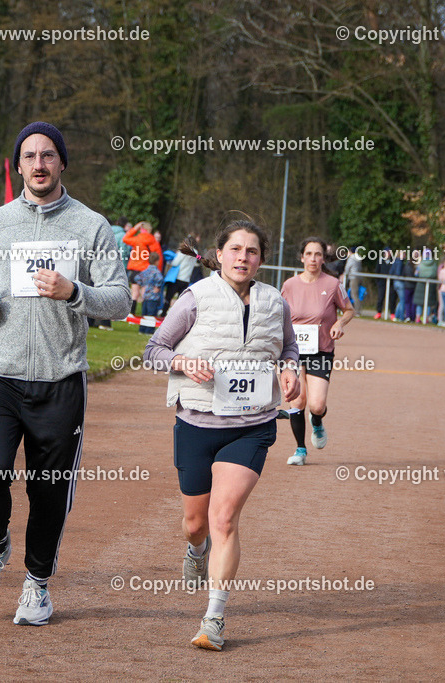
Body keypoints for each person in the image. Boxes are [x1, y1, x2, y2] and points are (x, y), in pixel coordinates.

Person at [0, 121, 131, 626]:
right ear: (18, 165)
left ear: (62, 163)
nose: (39, 164)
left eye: (48, 155)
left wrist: (74, 292)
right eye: (30, 156)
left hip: (59, 380)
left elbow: (119, 297)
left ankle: (37, 584)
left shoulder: (91, 226)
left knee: (48, 489)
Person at [142, 221, 301, 651]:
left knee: (224, 518)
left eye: (251, 251)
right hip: (197, 422)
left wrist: (290, 371)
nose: (243, 257)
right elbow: (153, 349)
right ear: (221, 253)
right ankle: (196, 552)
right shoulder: (195, 298)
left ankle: (214, 619)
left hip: (251, 426)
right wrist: (182, 363)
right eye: (235, 249)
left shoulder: (275, 303)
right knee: (196, 525)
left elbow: (288, 348)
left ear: (261, 259)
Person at [280, 237, 354, 464]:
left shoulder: (332, 284)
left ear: (323, 257)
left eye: (318, 254)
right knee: (296, 401)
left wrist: (339, 324)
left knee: (316, 404)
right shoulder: (289, 285)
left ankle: (318, 421)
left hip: (321, 350)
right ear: (302, 257)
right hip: (292, 350)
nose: (313, 258)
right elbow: (279, 315)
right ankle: (300, 450)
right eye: (309, 254)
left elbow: (349, 310)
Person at [123, 220, 163, 317]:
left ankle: (131, 313)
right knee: (145, 293)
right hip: (146, 270)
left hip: (135, 269)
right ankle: (144, 314)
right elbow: (159, 257)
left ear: (141, 229)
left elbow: (125, 239)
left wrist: (135, 228)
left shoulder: (137, 239)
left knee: (134, 293)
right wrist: (159, 272)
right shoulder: (153, 241)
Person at [160, 236, 198, 317]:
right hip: (186, 279)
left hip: (177, 278)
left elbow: (175, 263)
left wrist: (174, 256)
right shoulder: (196, 252)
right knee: (180, 300)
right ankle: (176, 316)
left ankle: (163, 314)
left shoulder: (183, 251)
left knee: (168, 297)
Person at [136, 250, 163, 334]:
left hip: (145, 295)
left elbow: (137, 278)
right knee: (151, 314)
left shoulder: (145, 271)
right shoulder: (156, 272)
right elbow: (160, 279)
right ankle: (149, 330)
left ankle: (142, 329)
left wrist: (142, 285)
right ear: (157, 261)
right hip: (153, 296)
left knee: (144, 314)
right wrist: (157, 287)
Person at [343, 247, 362, 317]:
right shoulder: (358, 258)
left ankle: (357, 311)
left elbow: (347, 268)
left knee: (354, 294)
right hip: (358, 277)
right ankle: (356, 309)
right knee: (355, 294)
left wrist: (344, 274)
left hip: (353, 277)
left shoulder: (352, 258)